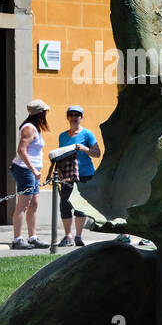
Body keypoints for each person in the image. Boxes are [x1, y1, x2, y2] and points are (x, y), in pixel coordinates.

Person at [55, 105, 102, 246]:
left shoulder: (87, 134)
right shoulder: (62, 136)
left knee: (80, 206)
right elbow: (60, 155)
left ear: (81, 117)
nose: (74, 117)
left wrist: (84, 148)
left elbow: (97, 153)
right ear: (67, 117)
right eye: (71, 114)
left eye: (77, 115)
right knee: (64, 205)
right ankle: (68, 236)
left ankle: (78, 236)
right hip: (67, 175)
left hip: (85, 175)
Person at [9, 99, 52, 249]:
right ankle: (17, 239)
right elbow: (21, 150)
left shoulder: (35, 128)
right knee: (24, 204)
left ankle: (32, 237)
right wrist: (33, 169)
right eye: (45, 112)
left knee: (34, 203)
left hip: (31, 171)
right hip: (24, 169)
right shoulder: (29, 128)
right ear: (40, 113)